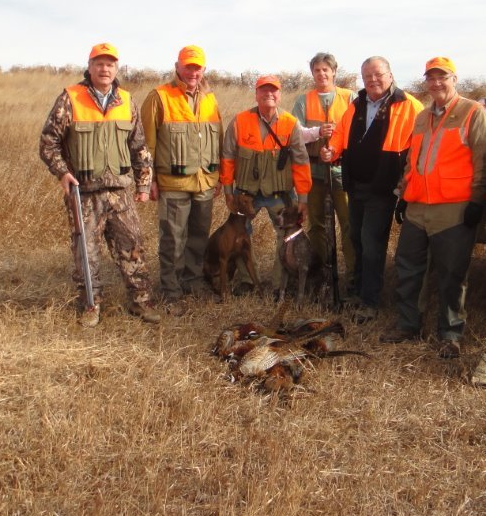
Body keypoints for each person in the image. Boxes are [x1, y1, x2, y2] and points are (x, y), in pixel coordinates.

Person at [382, 57, 486, 358]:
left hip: (453, 209)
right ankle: (408, 325)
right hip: (418, 206)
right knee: (408, 268)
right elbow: (413, 161)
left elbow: (485, 160)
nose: (436, 83)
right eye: (430, 78)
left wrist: (477, 201)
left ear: (454, 79)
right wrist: (403, 195)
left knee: (452, 274)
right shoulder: (422, 117)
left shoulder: (473, 112)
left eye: (442, 77)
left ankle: (450, 334)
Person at [39, 42, 158, 327]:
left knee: (133, 247)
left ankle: (140, 301)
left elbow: (139, 146)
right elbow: (48, 143)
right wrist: (62, 173)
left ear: (116, 68)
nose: (105, 69)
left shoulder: (126, 101)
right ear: (90, 66)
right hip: (83, 193)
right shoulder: (70, 98)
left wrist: (143, 185)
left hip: (119, 192)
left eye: (110, 64)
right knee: (86, 251)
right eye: (99, 63)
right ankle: (91, 306)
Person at [321, 56, 423, 323]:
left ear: (390, 75)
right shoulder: (357, 104)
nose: (373, 80)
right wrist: (331, 150)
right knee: (356, 238)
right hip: (355, 184)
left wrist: (406, 181)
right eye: (367, 76)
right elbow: (340, 134)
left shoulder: (409, 105)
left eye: (378, 74)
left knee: (371, 243)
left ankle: (369, 301)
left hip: (383, 187)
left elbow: (420, 147)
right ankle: (358, 290)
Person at [140, 45, 222, 310]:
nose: (193, 72)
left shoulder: (210, 98)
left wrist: (219, 176)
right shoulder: (159, 97)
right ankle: (171, 289)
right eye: (188, 67)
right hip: (173, 182)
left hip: (204, 180)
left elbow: (218, 139)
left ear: (204, 69)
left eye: (197, 68)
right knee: (173, 239)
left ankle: (192, 281)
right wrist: (149, 180)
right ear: (177, 67)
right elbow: (146, 144)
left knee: (199, 236)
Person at [220, 74, 312, 292]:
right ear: (256, 94)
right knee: (238, 234)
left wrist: (303, 198)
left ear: (280, 95)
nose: (268, 94)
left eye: (273, 90)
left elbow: (301, 162)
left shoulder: (290, 123)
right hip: (246, 194)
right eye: (263, 90)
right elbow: (228, 157)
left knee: (287, 235)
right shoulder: (240, 121)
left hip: (279, 194)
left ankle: (279, 284)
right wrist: (228, 191)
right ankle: (247, 280)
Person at [291, 53, 356, 301]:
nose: (321, 74)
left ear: (334, 71)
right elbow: (295, 134)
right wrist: (318, 132)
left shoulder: (349, 98)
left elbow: (358, 132)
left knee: (349, 225)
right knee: (316, 226)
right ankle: (320, 277)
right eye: (317, 70)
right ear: (312, 73)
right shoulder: (304, 100)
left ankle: (352, 278)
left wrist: (337, 145)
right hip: (314, 173)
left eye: (325, 69)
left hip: (341, 172)